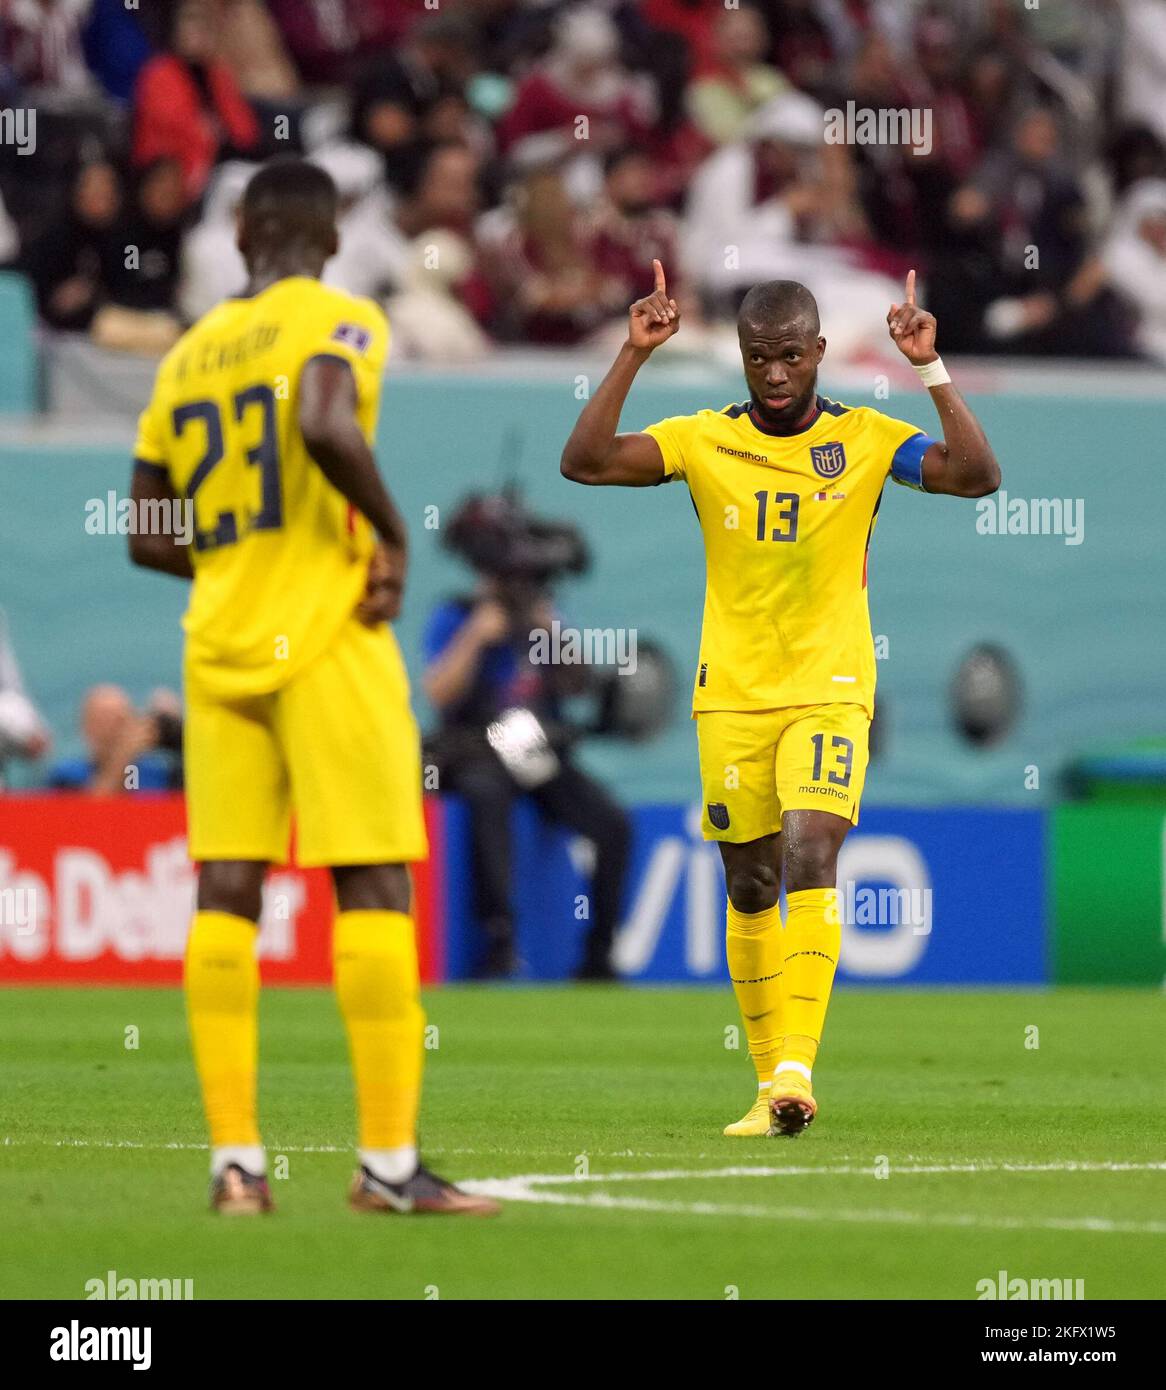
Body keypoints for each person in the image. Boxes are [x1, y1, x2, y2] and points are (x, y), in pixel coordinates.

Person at [128, 156, 497, 1216]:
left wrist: (234, 558)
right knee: (374, 883)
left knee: (227, 891)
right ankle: (386, 1166)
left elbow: (147, 533)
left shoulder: (186, 356)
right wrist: (387, 532)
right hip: (330, 634)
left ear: (239, 234)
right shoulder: (339, 319)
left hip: (218, 646)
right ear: (332, 240)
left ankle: (235, 1165)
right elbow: (325, 421)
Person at [560, 260, 999, 1138]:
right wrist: (634, 353)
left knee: (810, 844)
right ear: (739, 355)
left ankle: (799, 1066)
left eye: (790, 356)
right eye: (758, 357)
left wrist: (931, 370)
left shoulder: (870, 439)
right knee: (751, 880)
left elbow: (976, 477)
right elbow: (586, 462)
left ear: (820, 353)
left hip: (832, 689)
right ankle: (772, 1090)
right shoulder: (704, 439)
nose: (773, 373)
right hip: (731, 695)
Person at [422, 544, 631, 982]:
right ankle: (499, 943)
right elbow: (439, 692)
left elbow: (579, 688)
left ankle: (599, 954)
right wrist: (477, 637)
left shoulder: (544, 621)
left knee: (613, 823)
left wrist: (552, 632)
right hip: (475, 751)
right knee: (486, 796)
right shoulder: (458, 616)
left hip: (537, 753)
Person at [48, 685, 179, 793]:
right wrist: (123, 756)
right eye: (104, 720)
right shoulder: (68, 774)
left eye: (121, 720)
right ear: (85, 726)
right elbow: (84, 815)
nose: (114, 730)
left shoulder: (157, 771)